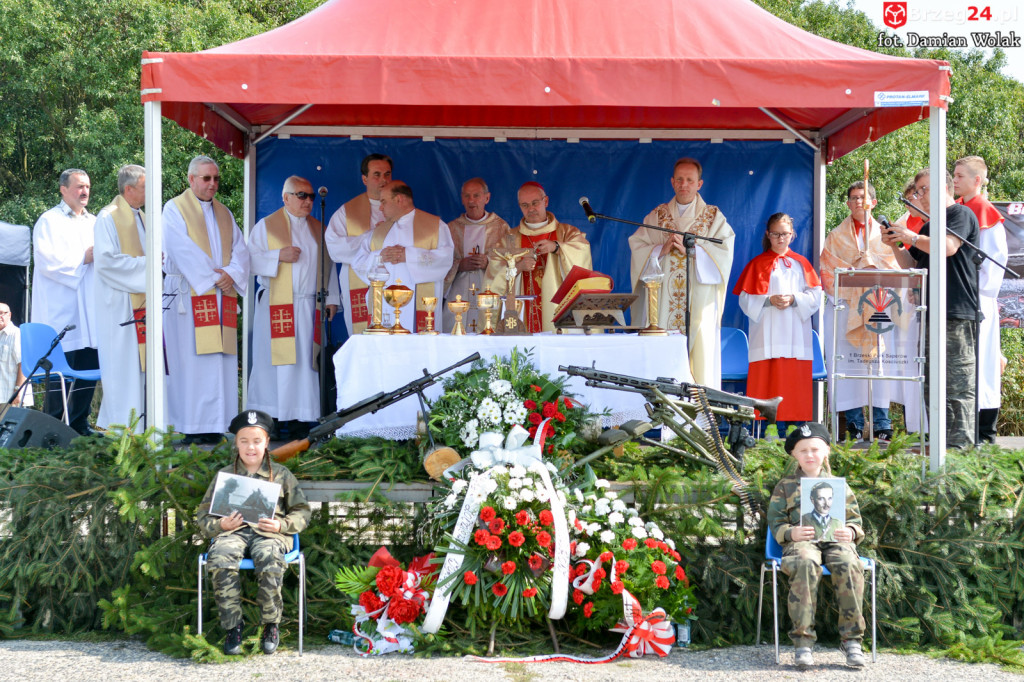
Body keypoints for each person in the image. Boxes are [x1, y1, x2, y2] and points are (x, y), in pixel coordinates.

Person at [196, 410, 311, 655]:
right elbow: (203, 516)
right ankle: (233, 627)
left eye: (257, 441)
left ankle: (271, 624)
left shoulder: (281, 475)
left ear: (267, 442)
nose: (251, 447)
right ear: (236, 443)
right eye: (244, 441)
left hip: (270, 535)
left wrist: (281, 525)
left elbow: (302, 511)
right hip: (233, 533)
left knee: (269, 556)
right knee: (221, 555)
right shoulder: (225, 477)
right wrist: (221, 526)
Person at [882, 170, 980, 449]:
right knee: (932, 383)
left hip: (956, 310)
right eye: (917, 191)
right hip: (929, 310)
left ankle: (961, 450)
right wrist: (895, 244)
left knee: (958, 383)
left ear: (944, 187)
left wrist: (910, 236)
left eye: (923, 189)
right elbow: (912, 265)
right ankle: (939, 445)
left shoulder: (959, 214)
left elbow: (948, 247)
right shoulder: (927, 227)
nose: (919, 196)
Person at [162, 155, 249, 444]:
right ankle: (190, 426)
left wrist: (231, 273)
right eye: (206, 178)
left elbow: (241, 250)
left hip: (221, 295)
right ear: (191, 179)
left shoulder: (224, 212)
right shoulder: (174, 209)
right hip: (189, 296)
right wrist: (215, 277)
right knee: (191, 363)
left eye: (216, 178)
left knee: (218, 362)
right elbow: (180, 249)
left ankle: (215, 425)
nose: (213, 184)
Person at [767, 423, 866, 669]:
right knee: (805, 562)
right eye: (803, 450)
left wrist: (850, 532)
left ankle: (852, 641)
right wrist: (791, 532)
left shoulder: (839, 486)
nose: (809, 455)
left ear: (826, 451)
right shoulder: (785, 486)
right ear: (794, 454)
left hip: (836, 542)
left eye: (815, 449)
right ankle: (803, 643)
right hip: (802, 543)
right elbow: (775, 522)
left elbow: (856, 521)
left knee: (849, 563)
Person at [629, 158, 735, 389]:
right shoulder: (658, 215)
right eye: (679, 179)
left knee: (699, 349)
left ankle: (698, 406)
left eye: (689, 180)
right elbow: (637, 246)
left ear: (699, 184)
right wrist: (660, 249)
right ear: (672, 182)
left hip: (699, 300)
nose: (684, 184)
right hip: (663, 302)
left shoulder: (712, 216)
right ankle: (662, 403)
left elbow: (725, 252)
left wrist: (695, 251)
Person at [247, 176, 339, 437]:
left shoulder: (318, 228)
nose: (308, 201)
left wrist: (332, 298)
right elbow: (247, 261)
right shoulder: (266, 227)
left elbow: (329, 264)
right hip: (276, 304)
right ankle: (272, 419)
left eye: (310, 196)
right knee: (273, 364)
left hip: (309, 305)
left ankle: (300, 418)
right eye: (301, 195)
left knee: (304, 364)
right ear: (285, 197)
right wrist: (277, 256)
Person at [820, 181, 901, 441]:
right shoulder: (836, 236)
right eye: (854, 198)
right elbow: (827, 270)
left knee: (878, 365)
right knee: (849, 364)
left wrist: (871, 264)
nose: (858, 202)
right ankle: (854, 424)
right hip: (847, 308)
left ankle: (881, 424)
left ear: (873, 203)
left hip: (878, 306)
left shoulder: (885, 235)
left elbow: (895, 265)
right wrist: (854, 271)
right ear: (847, 203)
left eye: (863, 197)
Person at [733, 213, 821, 434]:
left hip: (795, 335)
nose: (781, 238)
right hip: (766, 334)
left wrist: (794, 299)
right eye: (776, 234)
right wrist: (767, 300)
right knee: (767, 380)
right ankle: (768, 429)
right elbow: (745, 299)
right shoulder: (757, 264)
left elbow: (816, 296)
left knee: (794, 382)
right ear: (768, 235)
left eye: (785, 234)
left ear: (792, 235)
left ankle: (794, 429)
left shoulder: (801, 264)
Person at [31, 168, 99, 434]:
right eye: (79, 186)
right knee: (61, 372)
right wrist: (84, 258)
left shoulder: (95, 222)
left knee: (89, 364)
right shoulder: (49, 221)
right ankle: (53, 429)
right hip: (62, 310)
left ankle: (80, 424)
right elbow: (46, 261)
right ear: (63, 189)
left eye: (87, 187)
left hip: (91, 309)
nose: (85, 191)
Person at [484, 182, 592, 333]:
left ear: (545, 201)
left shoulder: (567, 232)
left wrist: (557, 247)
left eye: (535, 203)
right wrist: (518, 267)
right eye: (525, 205)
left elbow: (582, 254)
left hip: (557, 308)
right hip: (522, 315)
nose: (531, 209)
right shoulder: (509, 239)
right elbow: (493, 276)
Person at [351, 180, 454, 332]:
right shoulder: (378, 232)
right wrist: (380, 256)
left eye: (383, 202)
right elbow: (358, 262)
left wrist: (409, 256)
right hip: (384, 310)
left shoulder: (435, 227)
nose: (380, 208)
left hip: (419, 310)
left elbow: (445, 259)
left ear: (399, 199)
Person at [953, 155, 1007, 443]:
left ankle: (985, 431)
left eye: (959, 175)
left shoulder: (986, 212)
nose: (954, 180)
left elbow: (995, 263)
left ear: (977, 180)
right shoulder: (958, 209)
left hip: (977, 299)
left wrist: (976, 291)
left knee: (982, 363)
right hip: (960, 298)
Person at [93, 165, 149, 432]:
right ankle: (123, 431)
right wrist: (149, 265)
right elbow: (106, 262)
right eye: (145, 187)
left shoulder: (143, 217)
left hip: (143, 303)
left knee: (141, 370)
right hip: (120, 305)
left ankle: (145, 429)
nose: (150, 192)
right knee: (123, 370)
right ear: (129, 189)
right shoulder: (108, 217)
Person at [325, 153, 393, 336]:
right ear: (364, 179)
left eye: (387, 174)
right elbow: (334, 247)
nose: (383, 180)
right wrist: (372, 237)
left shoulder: (401, 207)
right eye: (377, 175)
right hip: (359, 281)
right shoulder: (347, 212)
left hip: (393, 281)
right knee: (362, 335)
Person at [443, 178, 511, 331]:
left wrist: (489, 262)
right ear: (462, 199)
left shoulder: (501, 227)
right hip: (459, 292)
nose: (471, 200)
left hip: (489, 290)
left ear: (487, 198)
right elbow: (439, 262)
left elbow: (510, 262)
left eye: (476, 195)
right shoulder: (451, 228)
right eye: (467, 196)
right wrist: (459, 265)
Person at [0, 301, 32, 406]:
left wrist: (18, 390)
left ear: (9, 315)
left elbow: (23, 364)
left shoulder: (16, 334)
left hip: (11, 398)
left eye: (2, 313)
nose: (0, 316)